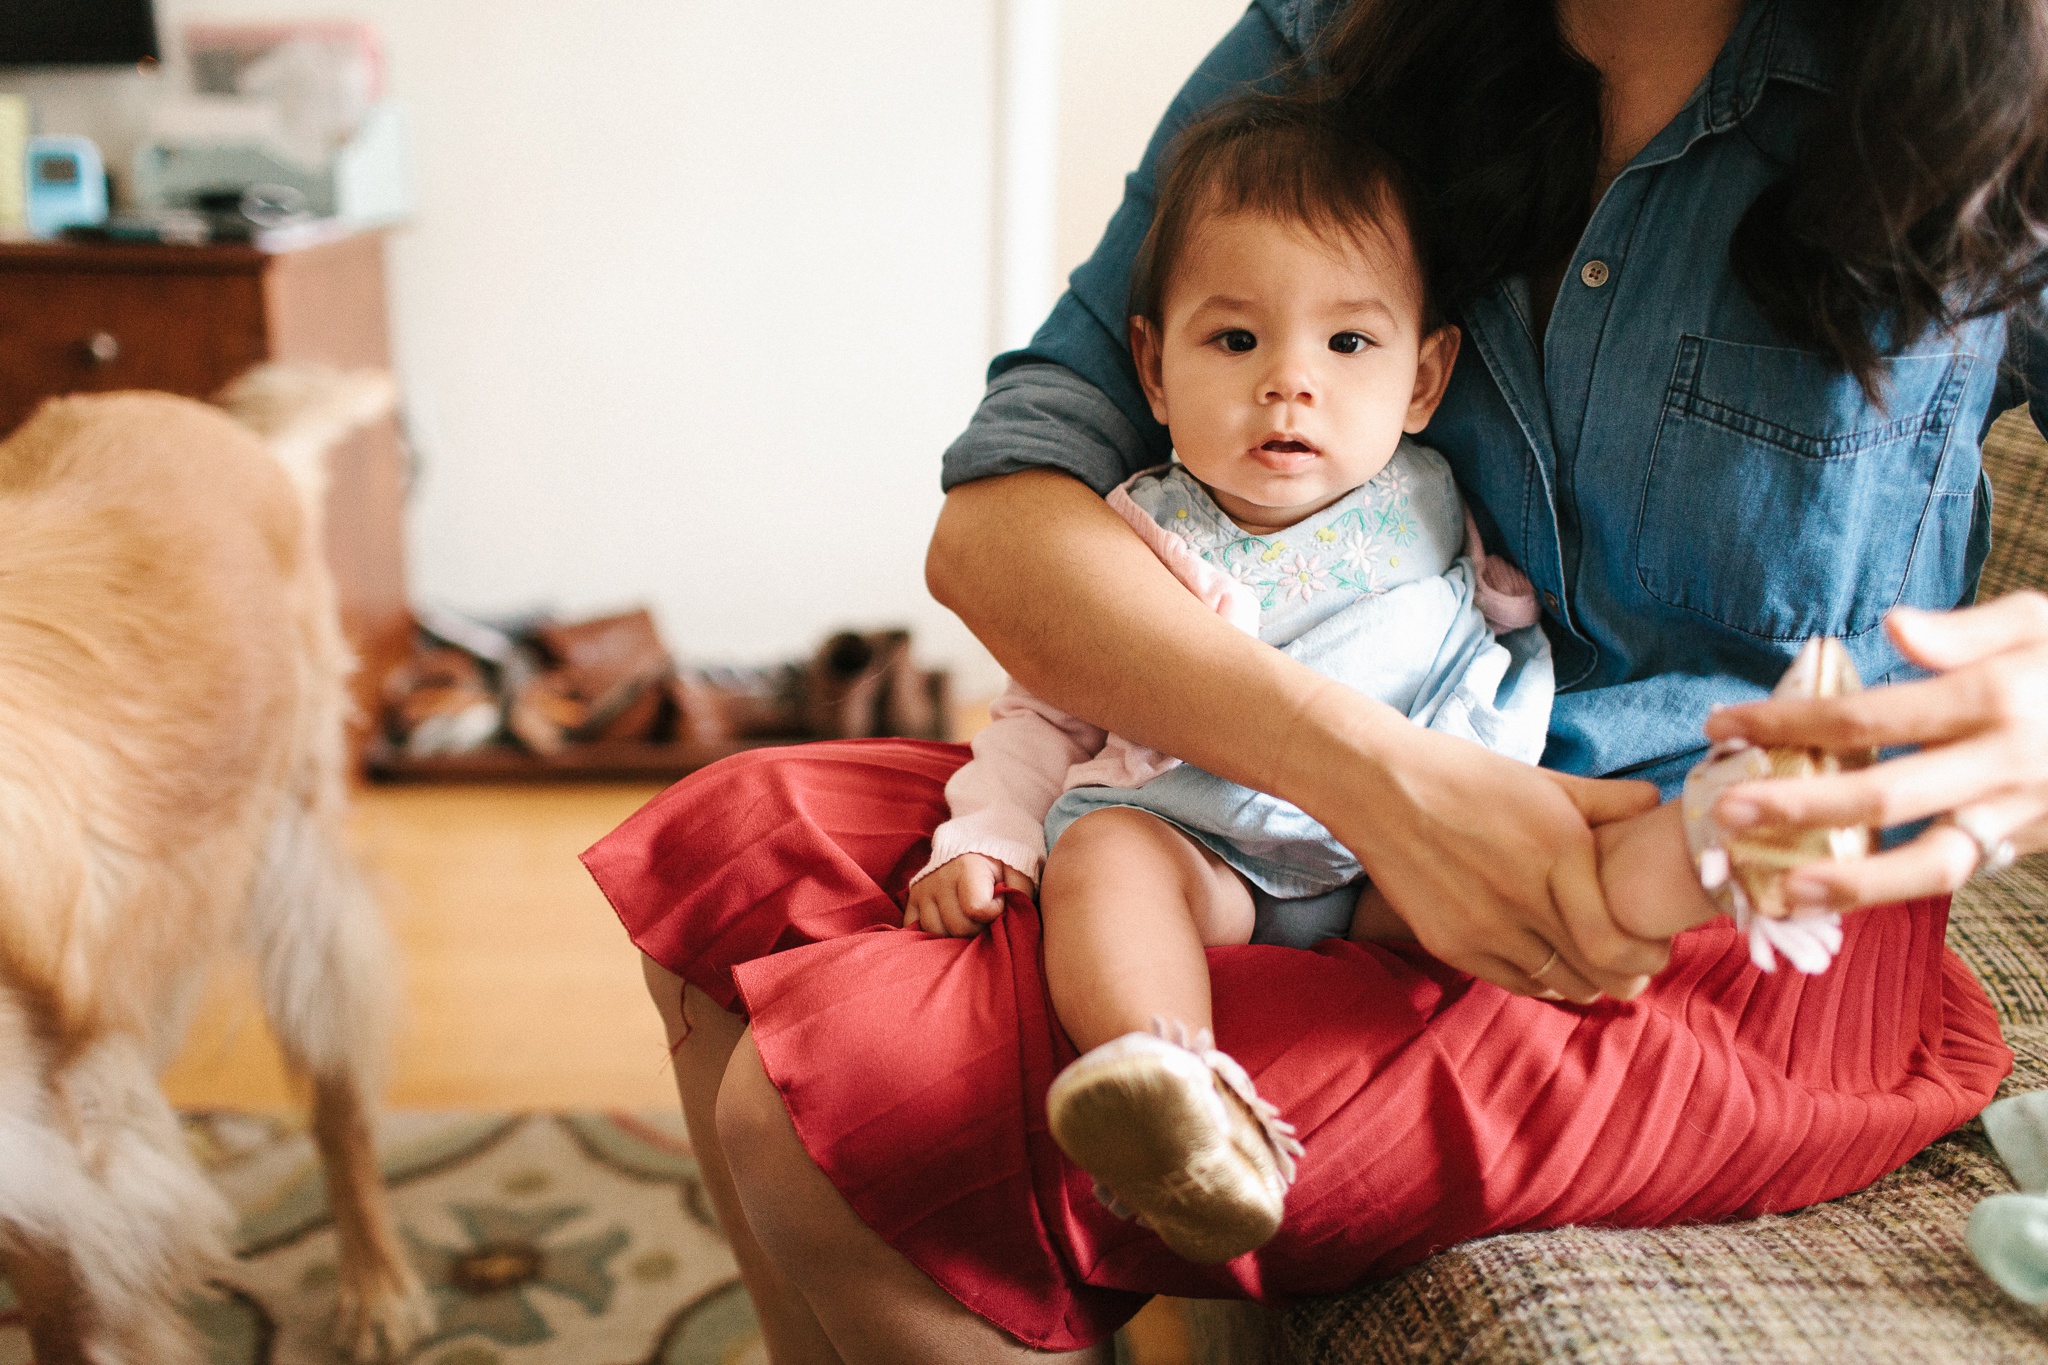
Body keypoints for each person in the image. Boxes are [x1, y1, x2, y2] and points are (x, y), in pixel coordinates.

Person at [584, 1, 2048, 1360]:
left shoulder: (1988, 88)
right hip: (1313, 811)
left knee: (830, 1117)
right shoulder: (1353, 28)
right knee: (739, 844)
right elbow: (999, 519)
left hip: (1696, 918)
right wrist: (1372, 778)